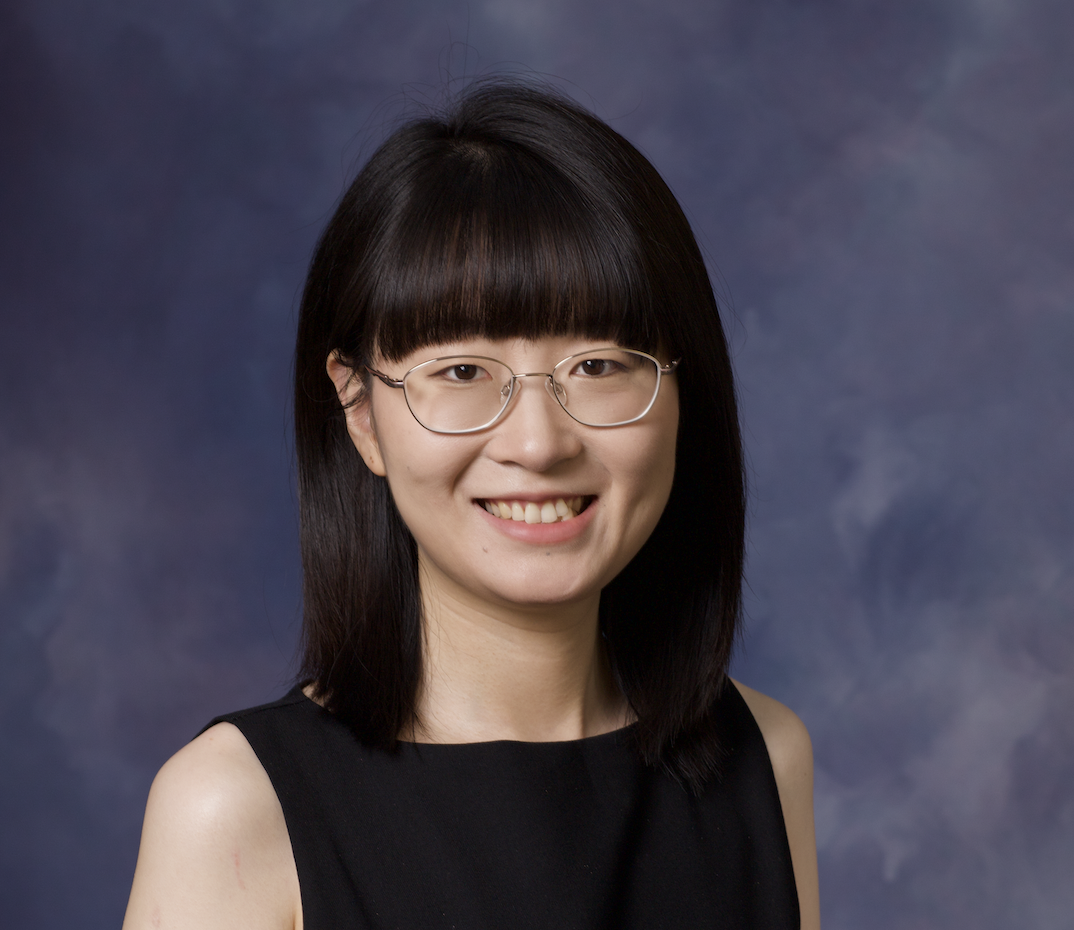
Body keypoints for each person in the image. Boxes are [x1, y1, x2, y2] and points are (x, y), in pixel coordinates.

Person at [123, 81, 820, 930]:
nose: (539, 442)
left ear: (684, 394)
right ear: (359, 411)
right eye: (461, 371)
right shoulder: (231, 809)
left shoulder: (766, 758)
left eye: (599, 366)